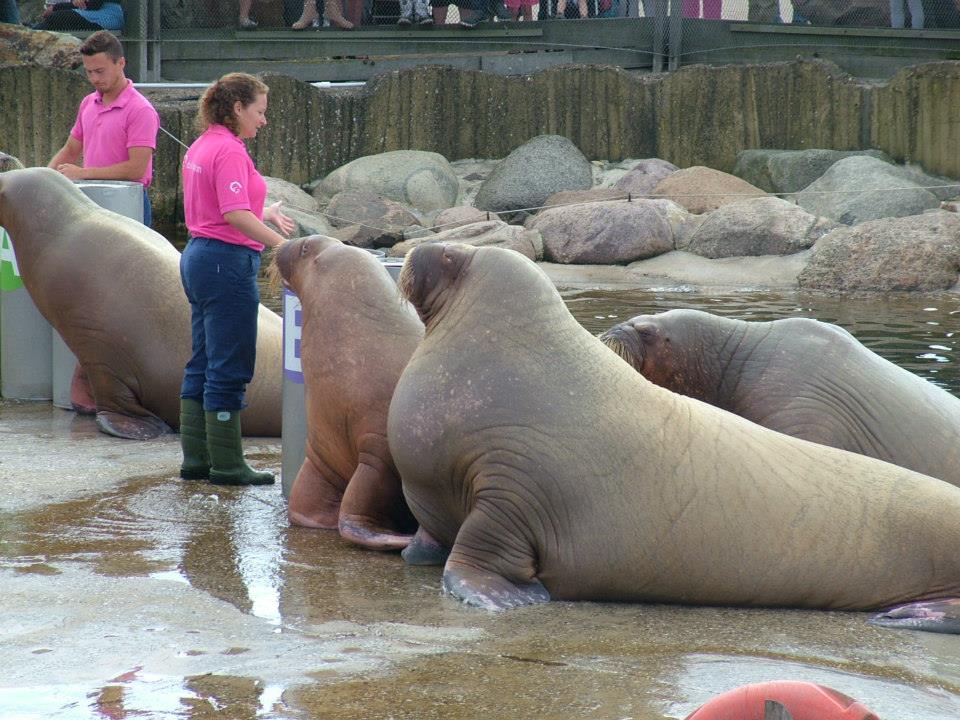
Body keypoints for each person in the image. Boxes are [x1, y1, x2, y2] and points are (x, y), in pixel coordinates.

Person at [178, 72, 294, 486]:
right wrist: (282, 246)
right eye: (259, 112)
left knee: (203, 360)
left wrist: (262, 210)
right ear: (237, 108)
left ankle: (198, 459)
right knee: (230, 365)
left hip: (198, 258)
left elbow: (218, 204)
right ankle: (227, 464)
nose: (263, 120)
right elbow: (232, 214)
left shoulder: (202, 144)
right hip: (225, 262)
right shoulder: (227, 150)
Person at [48, 31, 159, 226]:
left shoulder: (141, 110)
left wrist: (83, 173)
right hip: (91, 198)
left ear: (121, 63)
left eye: (100, 71)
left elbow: (136, 169)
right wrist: (43, 179)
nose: (94, 79)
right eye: (89, 72)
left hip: (128, 201)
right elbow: (70, 150)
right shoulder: (88, 103)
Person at [33, 0, 124, 30]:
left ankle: (33, 30)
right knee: (54, 19)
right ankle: (33, 30)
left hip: (110, 15)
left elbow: (94, 4)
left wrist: (56, 7)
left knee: (58, 17)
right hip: (93, 10)